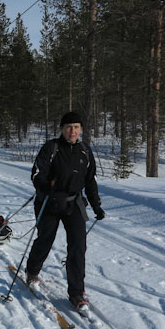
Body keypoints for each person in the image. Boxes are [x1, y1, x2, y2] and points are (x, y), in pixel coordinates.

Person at [26, 111, 105, 311]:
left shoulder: (85, 151)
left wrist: (96, 205)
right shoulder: (52, 148)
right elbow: (36, 173)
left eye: (76, 127)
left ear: (81, 130)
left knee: (78, 247)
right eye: (69, 127)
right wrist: (45, 186)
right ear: (62, 129)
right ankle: (32, 272)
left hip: (74, 204)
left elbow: (90, 181)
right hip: (49, 202)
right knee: (46, 239)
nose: (73, 131)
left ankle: (77, 293)